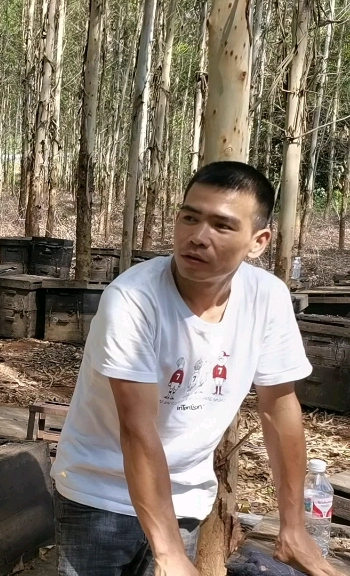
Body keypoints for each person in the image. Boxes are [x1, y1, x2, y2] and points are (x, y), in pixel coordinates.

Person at [50, 161, 341, 576]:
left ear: (258, 241)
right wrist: (169, 554)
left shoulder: (268, 298)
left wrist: (294, 527)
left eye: (221, 226)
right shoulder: (132, 300)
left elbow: (280, 408)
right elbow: (138, 427)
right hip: (98, 494)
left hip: (185, 496)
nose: (197, 237)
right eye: (189, 217)